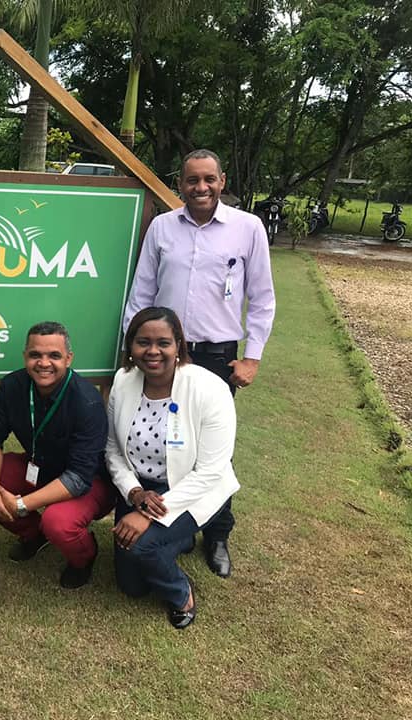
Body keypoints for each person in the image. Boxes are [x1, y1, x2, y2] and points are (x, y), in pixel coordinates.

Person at [123, 148, 275, 578]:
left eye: (209, 179)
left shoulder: (248, 228)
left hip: (216, 355)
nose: (201, 187)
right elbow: (142, 291)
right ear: (180, 184)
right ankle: (179, 524)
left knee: (213, 451)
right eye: (192, 180)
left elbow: (262, 298)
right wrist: (132, 349)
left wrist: (252, 358)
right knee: (170, 441)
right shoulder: (162, 227)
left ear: (222, 181)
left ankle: (218, 533)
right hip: (161, 351)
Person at [108, 307, 238, 629]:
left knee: (141, 546)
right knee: (132, 586)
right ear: (131, 346)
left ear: (179, 345)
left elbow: (210, 472)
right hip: (140, 488)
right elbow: (112, 448)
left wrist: (147, 515)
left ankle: (181, 594)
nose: (153, 351)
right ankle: (179, 540)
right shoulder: (123, 381)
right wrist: (134, 493)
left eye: (163, 343)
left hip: (191, 490)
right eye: (143, 342)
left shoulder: (210, 389)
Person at [0, 322, 115, 589]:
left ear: (69, 358)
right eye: (35, 355)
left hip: (89, 483)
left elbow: (78, 478)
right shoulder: (13, 385)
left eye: (54, 355)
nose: (43, 363)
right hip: (39, 467)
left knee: (58, 521)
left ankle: (84, 557)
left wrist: (21, 504)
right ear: (25, 357)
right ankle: (33, 533)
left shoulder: (86, 401)